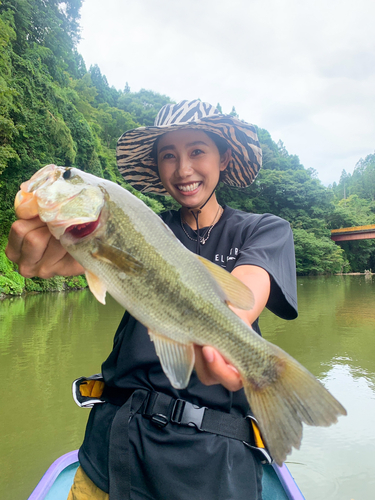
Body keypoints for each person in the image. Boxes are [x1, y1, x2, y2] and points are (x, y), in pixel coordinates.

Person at [6, 100, 298, 500]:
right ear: (158, 167)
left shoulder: (265, 229)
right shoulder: (139, 224)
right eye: (168, 155)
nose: (183, 169)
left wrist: (232, 336)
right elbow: (78, 263)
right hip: (111, 451)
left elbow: (245, 296)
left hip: (213, 468)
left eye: (197, 151)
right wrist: (48, 258)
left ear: (224, 158)